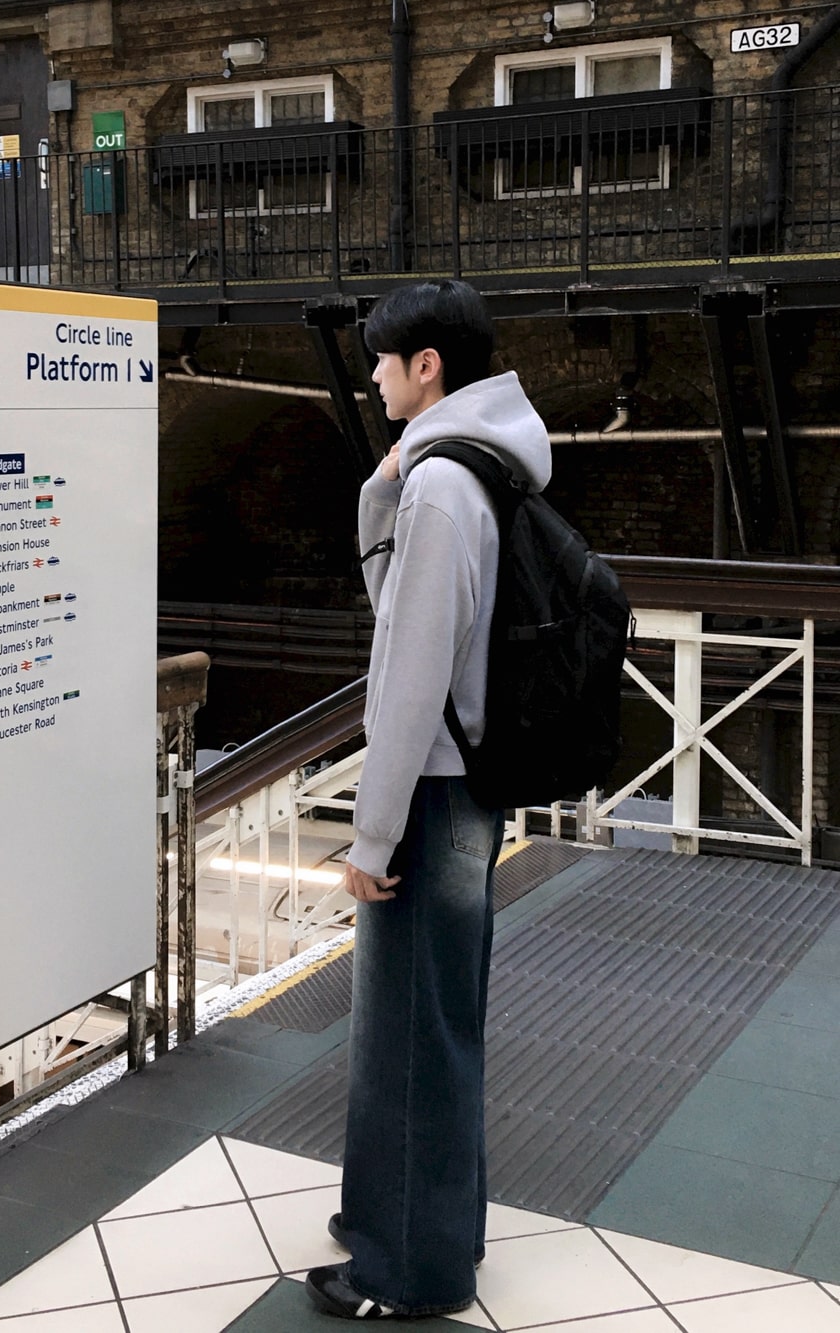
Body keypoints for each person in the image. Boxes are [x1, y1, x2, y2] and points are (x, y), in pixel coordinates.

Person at [305, 280, 552, 1320]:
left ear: (427, 366)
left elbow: (407, 673)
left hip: (431, 792)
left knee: (411, 1034)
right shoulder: (478, 463)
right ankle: (414, 1221)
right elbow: (400, 604)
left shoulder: (443, 488)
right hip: (464, 782)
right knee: (431, 1022)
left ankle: (408, 1268)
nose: (370, 375)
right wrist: (380, 492)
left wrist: (368, 834)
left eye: (382, 358)